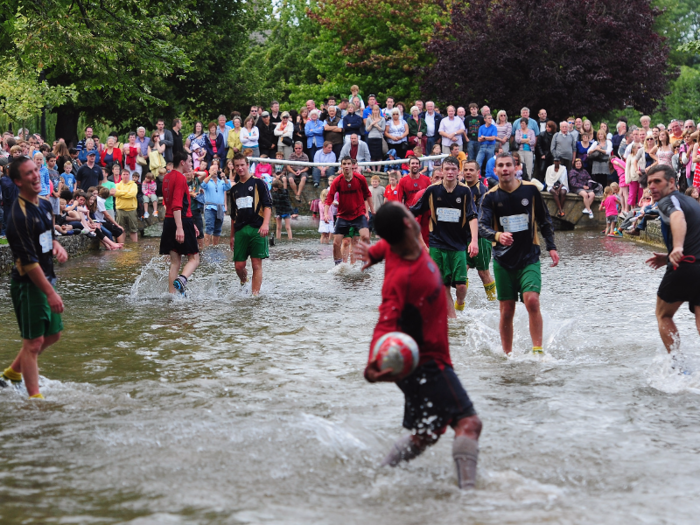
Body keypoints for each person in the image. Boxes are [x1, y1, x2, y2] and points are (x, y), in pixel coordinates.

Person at [353, 202, 482, 490]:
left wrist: (372, 254)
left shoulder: (395, 246)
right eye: (410, 213)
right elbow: (384, 323)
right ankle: (471, 500)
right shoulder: (404, 278)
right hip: (427, 365)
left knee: (427, 434)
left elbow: (385, 246)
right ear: (410, 225)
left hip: (426, 362)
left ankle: (380, 474)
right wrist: (373, 365)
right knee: (469, 423)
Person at [1, 157, 69, 399]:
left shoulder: (44, 204)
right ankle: (35, 401)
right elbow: (29, 263)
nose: (36, 175)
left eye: (36, 170)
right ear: (18, 181)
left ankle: (11, 374)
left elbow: (47, 235)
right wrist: (50, 293)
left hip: (47, 278)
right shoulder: (17, 217)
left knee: (54, 334)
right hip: (28, 284)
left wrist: (56, 246)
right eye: (29, 173)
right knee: (33, 343)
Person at [479, 153, 559, 355]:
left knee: (532, 300)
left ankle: (538, 350)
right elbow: (481, 226)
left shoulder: (530, 190)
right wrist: (497, 235)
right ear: (495, 170)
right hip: (503, 259)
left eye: (508, 165)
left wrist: (551, 247)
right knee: (507, 310)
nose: (505, 169)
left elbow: (544, 219)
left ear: (516, 168)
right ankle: (508, 354)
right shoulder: (490, 197)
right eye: (500, 166)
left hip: (529, 256)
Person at [409, 156, 479, 318]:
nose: (449, 172)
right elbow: (414, 212)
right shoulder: (432, 191)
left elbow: (472, 216)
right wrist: (421, 244)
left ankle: (460, 303)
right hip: (437, 244)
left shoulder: (464, 191)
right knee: (443, 285)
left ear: (458, 172)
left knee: (461, 286)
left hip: (459, 245)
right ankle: (453, 320)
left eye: (453, 169)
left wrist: (474, 241)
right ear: (442, 171)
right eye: (446, 169)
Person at [645, 164, 700, 364]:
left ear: (671, 182)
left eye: (657, 181)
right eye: (649, 182)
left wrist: (676, 248)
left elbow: (678, 217)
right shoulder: (693, 202)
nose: (652, 186)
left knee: (663, 315)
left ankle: (679, 367)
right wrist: (668, 256)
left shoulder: (668, 201)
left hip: (685, 265)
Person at [230, 154, 271, 295]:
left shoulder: (259, 183)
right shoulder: (234, 189)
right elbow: (233, 215)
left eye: (242, 165)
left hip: (257, 228)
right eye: (237, 166)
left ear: (247, 165)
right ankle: (244, 281)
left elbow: (268, 205)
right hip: (240, 230)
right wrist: (232, 236)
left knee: (256, 264)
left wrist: (265, 224)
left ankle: (255, 295)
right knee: (239, 266)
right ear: (234, 168)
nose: (240, 168)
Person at [160, 151, 200, 295]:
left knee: (175, 262)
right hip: (180, 221)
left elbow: (170, 203)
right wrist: (181, 228)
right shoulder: (181, 178)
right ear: (182, 162)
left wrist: (191, 224)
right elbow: (177, 204)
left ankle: (172, 296)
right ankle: (182, 280)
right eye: (190, 161)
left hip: (169, 221)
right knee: (194, 258)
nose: (191, 164)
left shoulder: (166, 177)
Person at [324, 156, 374, 265]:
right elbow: (329, 198)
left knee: (365, 237)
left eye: (348, 164)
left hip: (358, 214)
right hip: (343, 216)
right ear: (341, 166)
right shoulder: (337, 181)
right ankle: (338, 265)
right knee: (336, 243)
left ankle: (366, 262)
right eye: (344, 164)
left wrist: (372, 210)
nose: (346, 166)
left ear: (352, 165)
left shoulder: (360, 179)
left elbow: (368, 195)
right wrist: (325, 214)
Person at [463, 160, 497, 301]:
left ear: (478, 173)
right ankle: (460, 307)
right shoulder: (459, 188)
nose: (468, 173)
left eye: (471, 170)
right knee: (461, 271)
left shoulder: (483, 191)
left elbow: (481, 216)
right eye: (466, 170)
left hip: (481, 237)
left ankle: (493, 301)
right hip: (462, 236)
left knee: (483, 272)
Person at [200, 160, 232, 247]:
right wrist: (210, 175)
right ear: (209, 171)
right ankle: (206, 247)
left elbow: (228, 186)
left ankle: (215, 246)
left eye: (216, 169)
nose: (214, 171)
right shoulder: (207, 181)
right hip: (210, 208)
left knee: (218, 229)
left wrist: (224, 177)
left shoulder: (221, 181)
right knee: (209, 227)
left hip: (220, 208)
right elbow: (202, 185)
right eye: (212, 169)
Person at [115, 170, 139, 243]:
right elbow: (115, 193)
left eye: (127, 174)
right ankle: (121, 245)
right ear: (121, 175)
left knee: (133, 229)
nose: (125, 176)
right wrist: (126, 192)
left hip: (131, 209)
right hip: (120, 209)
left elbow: (132, 194)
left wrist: (120, 193)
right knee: (121, 229)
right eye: (124, 174)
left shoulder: (133, 184)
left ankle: (135, 245)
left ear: (129, 175)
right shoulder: (117, 185)